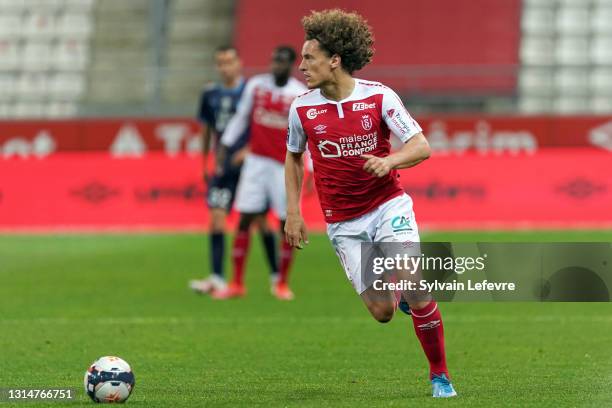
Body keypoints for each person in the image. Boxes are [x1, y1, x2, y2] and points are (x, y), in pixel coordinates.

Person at [284, 9, 457, 398]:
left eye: (309, 58)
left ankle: (440, 376)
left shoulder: (379, 96)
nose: (302, 66)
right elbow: (294, 157)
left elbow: (421, 145)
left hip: (388, 206)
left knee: (414, 283)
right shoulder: (302, 108)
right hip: (343, 222)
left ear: (335, 60)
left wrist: (391, 160)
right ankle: (400, 297)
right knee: (383, 312)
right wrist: (293, 212)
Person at [213, 46, 307, 300]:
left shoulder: (299, 94)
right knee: (245, 218)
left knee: (286, 223)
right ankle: (236, 283)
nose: (276, 66)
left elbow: (305, 135)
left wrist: (306, 169)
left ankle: (281, 283)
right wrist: (225, 145)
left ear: (291, 65)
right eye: (274, 61)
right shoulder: (256, 86)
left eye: (282, 62)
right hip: (256, 162)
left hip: (283, 166)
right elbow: (241, 118)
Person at [189, 45, 273, 295]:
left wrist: (249, 149)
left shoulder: (251, 91)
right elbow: (206, 130)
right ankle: (217, 277)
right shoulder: (210, 94)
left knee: (260, 221)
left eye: (229, 62)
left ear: (239, 63)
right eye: (220, 63)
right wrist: (205, 161)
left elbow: (262, 125)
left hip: (250, 167)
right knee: (216, 219)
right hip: (223, 167)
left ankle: (276, 276)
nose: (225, 67)